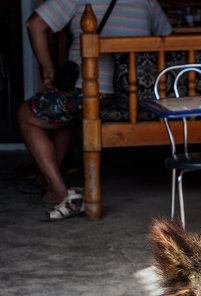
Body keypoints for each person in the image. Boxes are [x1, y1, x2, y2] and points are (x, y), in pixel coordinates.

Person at [17, 0, 171, 220]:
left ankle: (58, 191)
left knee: (26, 114)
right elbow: (167, 36)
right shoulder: (148, 1)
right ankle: (46, 177)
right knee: (66, 113)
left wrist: (47, 67)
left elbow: (35, 24)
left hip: (91, 95)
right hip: (135, 99)